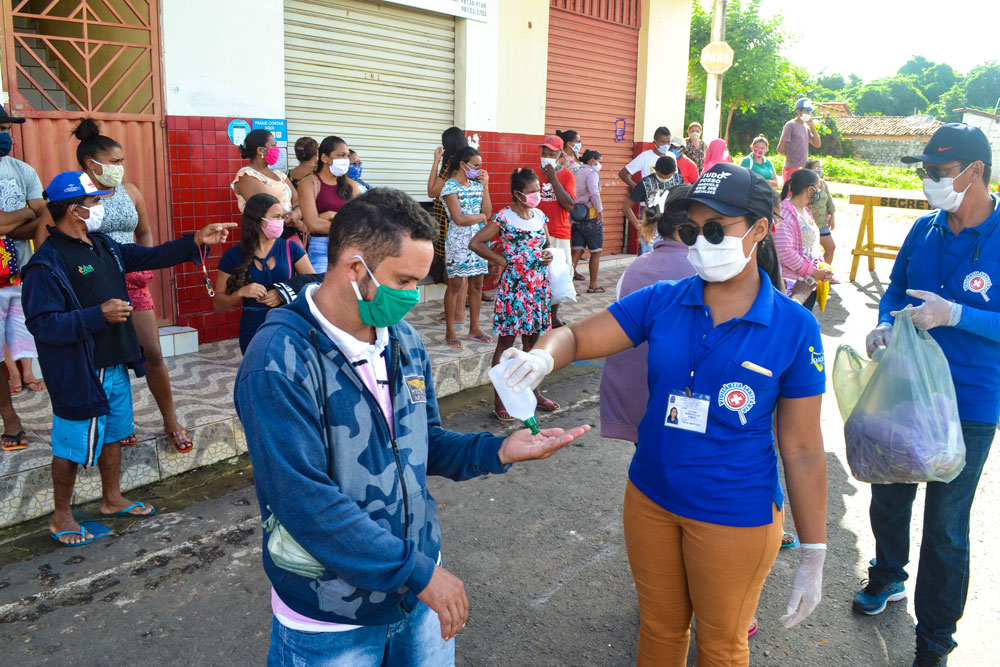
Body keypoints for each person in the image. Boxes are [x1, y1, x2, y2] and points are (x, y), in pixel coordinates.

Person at [233, 187, 588, 665]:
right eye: (404, 281)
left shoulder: (403, 340)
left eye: (419, 282)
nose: (413, 297)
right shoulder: (278, 360)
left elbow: (424, 440)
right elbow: (302, 499)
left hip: (417, 592)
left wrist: (498, 451)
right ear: (355, 268)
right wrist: (418, 573)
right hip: (333, 614)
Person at [499, 163, 828, 666]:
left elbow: (802, 448)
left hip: (733, 513)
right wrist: (541, 356)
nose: (702, 242)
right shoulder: (664, 301)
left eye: (716, 230)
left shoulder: (794, 327)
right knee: (659, 630)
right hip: (650, 498)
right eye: (693, 231)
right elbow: (578, 336)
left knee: (722, 647)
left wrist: (814, 550)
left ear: (760, 229)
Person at [22, 171, 234, 546]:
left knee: (115, 434)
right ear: (74, 210)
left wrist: (195, 240)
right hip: (80, 371)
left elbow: (151, 256)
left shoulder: (103, 245)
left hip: (115, 361)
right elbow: (42, 324)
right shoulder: (46, 263)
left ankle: (112, 499)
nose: (100, 208)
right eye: (94, 202)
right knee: (70, 445)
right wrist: (96, 315)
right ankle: (61, 517)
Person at [860, 123, 999, 667]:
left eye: (939, 172)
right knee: (889, 492)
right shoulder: (924, 228)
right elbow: (896, 287)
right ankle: (887, 575)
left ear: (975, 171)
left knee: (946, 526)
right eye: (926, 172)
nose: (929, 181)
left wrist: (957, 314)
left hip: (970, 401)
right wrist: (882, 322)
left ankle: (936, 639)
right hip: (906, 387)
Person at [74, 119, 192, 453]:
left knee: (152, 352)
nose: (120, 166)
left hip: (134, 280)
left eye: (122, 160)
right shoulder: (78, 195)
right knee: (107, 359)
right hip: (96, 283)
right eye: (114, 161)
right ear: (91, 164)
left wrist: (147, 263)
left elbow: (144, 231)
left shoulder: (130, 191)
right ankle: (116, 424)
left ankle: (170, 420)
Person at [601, 185, 695, 444]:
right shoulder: (699, 271)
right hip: (678, 397)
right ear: (686, 227)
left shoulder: (636, 266)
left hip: (633, 393)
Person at [470, 168, 560, 421]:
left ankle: (534, 393)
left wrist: (548, 255)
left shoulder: (540, 215)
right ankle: (500, 400)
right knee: (506, 344)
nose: (536, 195)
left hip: (537, 286)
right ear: (517, 194)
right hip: (514, 288)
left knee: (533, 343)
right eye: (532, 192)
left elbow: (547, 244)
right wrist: (501, 260)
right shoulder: (503, 217)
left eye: (538, 191)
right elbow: (475, 243)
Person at [214, 193, 315, 354]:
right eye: (275, 217)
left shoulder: (291, 248)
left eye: (282, 217)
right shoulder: (234, 255)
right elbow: (219, 302)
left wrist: (283, 293)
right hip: (252, 329)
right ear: (258, 220)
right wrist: (241, 292)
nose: (281, 222)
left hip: (287, 325)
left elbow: (313, 283)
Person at [0, 105, 45, 451]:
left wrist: (9, 221)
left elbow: (42, 218)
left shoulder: (23, 170)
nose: (5, 136)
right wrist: (26, 212)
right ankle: (10, 418)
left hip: (22, 275)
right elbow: (32, 214)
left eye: (6, 129)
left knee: (30, 338)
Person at [440, 146, 492, 348]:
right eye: (475, 165)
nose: (479, 169)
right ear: (463, 164)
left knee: (477, 285)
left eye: (481, 166)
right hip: (458, 242)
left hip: (478, 241)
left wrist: (485, 187)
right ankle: (450, 330)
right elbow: (459, 218)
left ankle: (475, 328)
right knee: (455, 285)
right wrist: (480, 217)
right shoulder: (449, 187)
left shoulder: (477, 186)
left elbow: (488, 212)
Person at [297, 135, 360, 273]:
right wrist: (344, 224)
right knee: (321, 285)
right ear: (324, 158)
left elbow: (358, 222)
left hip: (349, 247)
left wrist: (329, 216)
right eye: (341, 155)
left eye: (347, 156)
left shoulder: (351, 185)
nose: (346, 160)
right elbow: (312, 224)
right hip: (320, 248)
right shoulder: (308, 183)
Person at [775, 169, 833, 309]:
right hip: (791, 286)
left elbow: (812, 245)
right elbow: (784, 252)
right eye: (818, 188)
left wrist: (821, 267)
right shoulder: (784, 213)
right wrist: (814, 272)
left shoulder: (805, 211)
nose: (820, 192)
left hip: (807, 282)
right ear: (810, 190)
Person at [232, 129, 304, 238]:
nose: (277, 149)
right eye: (273, 145)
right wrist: (296, 222)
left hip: (289, 231)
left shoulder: (279, 174)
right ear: (260, 150)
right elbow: (266, 207)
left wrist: (297, 212)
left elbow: (296, 199)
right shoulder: (247, 175)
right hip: (265, 235)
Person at [537, 136, 576, 328]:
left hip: (559, 232)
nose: (546, 157)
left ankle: (552, 316)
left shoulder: (567, 175)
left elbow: (569, 205)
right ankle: (537, 314)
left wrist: (553, 179)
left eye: (551, 154)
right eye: (544, 153)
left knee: (559, 276)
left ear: (560, 155)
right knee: (538, 275)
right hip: (537, 233)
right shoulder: (532, 173)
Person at [428, 126, 468, 287]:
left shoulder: (451, 166)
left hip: (449, 223)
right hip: (465, 222)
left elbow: (432, 192)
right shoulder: (468, 164)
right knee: (462, 271)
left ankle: (455, 299)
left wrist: (436, 161)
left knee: (453, 272)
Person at [622, 156, 681, 255]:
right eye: (661, 176)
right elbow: (626, 207)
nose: (664, 179)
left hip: (672, 227)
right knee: (648, 257)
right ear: (654, 169)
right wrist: (637, 224)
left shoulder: (678, 179)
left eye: (668, 177)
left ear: (674, 171)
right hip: (652, 227)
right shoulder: (645, 183)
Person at [573, 149, 604, 292]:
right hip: (590, 216)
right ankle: (593, 284)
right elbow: (594, 192)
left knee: (577, 251)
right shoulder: (591, 173)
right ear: (592, 160)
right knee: (596, 252)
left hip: (576, 216)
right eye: (599, 161)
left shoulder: (576, 171)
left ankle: (566, 285)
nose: (600, 164)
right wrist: (600, 210)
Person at [777, 98, 822, 182]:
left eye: (810, 112)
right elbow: (780, 149)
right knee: (790, 190)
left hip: (803, 169)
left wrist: (812, 126)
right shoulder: (790, 125)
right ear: (798, 111)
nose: (809, 114)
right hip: (791, 168)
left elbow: (817, 144)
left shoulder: (806, 127)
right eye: (806, 111)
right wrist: (792, 157)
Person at [805, 159, 836, 265]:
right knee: (809, 251)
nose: (819, 170)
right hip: (808, 223)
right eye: (816, 168)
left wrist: (832, 217)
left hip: (822, 223)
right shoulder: (804, 185)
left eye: (820, 168)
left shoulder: (823, 183)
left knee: (831, 247)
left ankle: (825, 271)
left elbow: (830, 202)